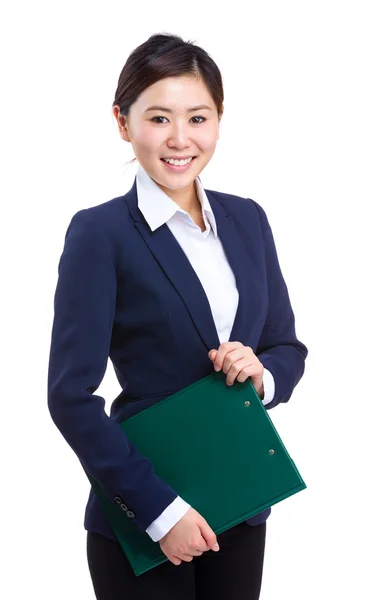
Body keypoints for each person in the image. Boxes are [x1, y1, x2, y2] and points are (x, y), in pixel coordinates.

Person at [47, 32, 308, 600]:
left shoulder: (248, 221)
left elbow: (287, 348)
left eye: (198, 117)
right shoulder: (101, 233)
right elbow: (69, 396)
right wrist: (160, 514)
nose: (180, 139)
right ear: (123, 121)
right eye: (159, 118)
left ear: (219, 120)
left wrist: (260, 374)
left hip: (241, 505)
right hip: (147, 518)